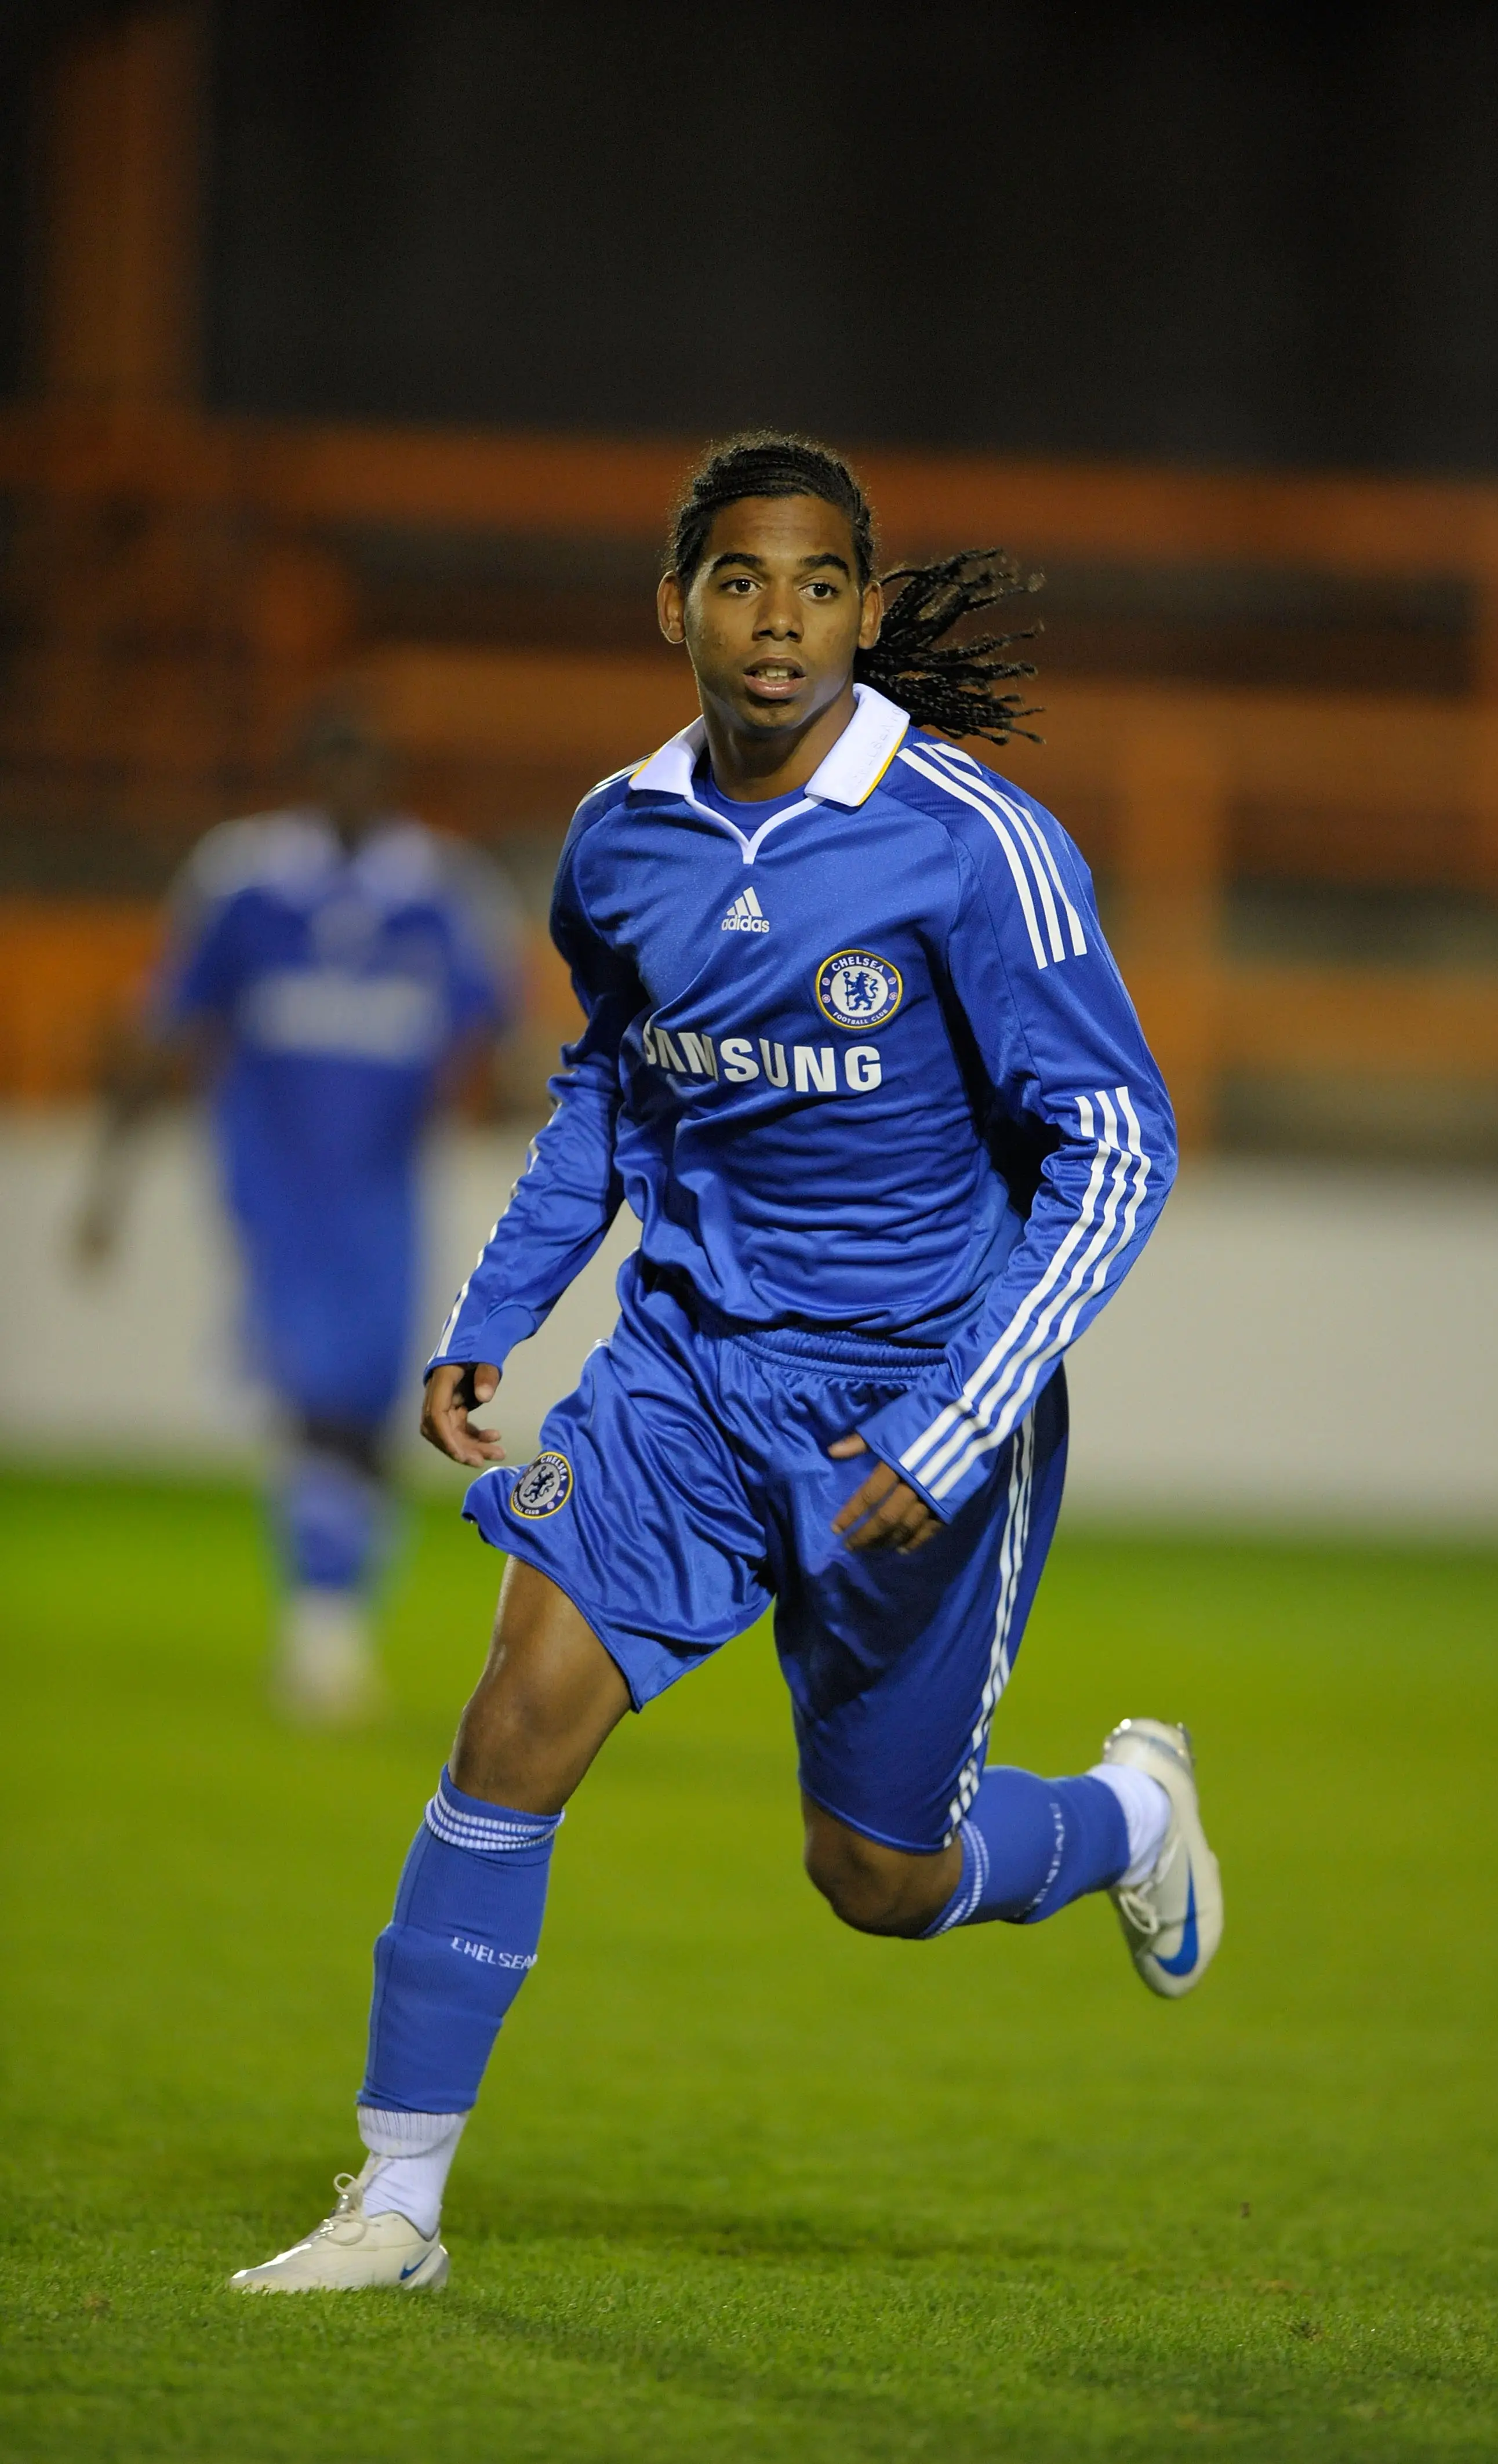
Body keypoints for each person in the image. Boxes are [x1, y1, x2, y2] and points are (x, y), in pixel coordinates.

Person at [231, 434, 1221, 2294]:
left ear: (863, 605)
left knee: (876, 1878)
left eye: (822, 584)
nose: (781, 622)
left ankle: (1125, 1820)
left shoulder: (969, 842)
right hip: (683, 1380)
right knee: (514, 1713)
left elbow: (1117, 1144)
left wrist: (956, 1415)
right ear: (672, 602)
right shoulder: (620, 835)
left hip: (910, 1409)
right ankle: (395, 2204)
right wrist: (496, 1316)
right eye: (743, 581)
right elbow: (608, 1093)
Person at [77, 706, 519, 1720]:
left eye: (370, 767)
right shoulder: (243, 882)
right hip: (272, 1186)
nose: (352, 787)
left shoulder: (440, 892)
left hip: (384, 1193)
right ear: (305, 776)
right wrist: (110, 1185)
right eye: (335, 766)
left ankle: (336, 1608)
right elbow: (167, 1023)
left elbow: (495, 1041)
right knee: (316, 1394)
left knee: (367, 1409)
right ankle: (323, 1628)